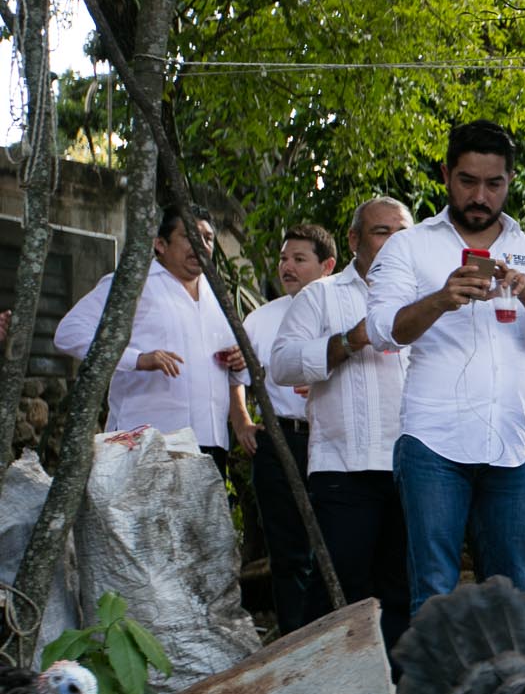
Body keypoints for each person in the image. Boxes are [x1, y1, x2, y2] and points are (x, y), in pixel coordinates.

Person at [365, 119, 525, 614]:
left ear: (510, 181)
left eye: (494, 183)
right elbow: (381, 330)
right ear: (445, 175)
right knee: (434, 590)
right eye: (467, 181)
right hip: (433, 442)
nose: (480, 196)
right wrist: (440, 299)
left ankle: (513, 692)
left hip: (510, 444)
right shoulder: (410, 245)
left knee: (516, 591)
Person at [272, 197, 415, 656]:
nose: (394, 241)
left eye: (402, 232)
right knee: (339, 590)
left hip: (414, 466)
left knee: (401, 591)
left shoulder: (424, 300)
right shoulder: (322, 295)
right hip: (345, 467)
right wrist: (350, 341)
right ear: (354, 240)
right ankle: (323, 690)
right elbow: (283, 364)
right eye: (381, 231)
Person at [55, 208, 245, 473]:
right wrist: (137, 359)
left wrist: (238, 361)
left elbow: (232, 369)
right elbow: (69, 332)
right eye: (189, 236)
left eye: (207, 238)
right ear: (160, 244)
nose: (201, 245)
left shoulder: (218, 297)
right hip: (149, 441)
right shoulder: (133, 284)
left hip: (210, 442)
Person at [231, 224, 337, 635]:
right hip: (278, 440)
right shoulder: (260, 318)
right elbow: (236, 374)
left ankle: (331, 634)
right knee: (288, 551)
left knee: (333, 544)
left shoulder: (343, 312)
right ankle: (294, 637)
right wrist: (241, 419)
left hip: (331, 438)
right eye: (283, 258)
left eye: (299, 259)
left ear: (326, 265)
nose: (287, 267)